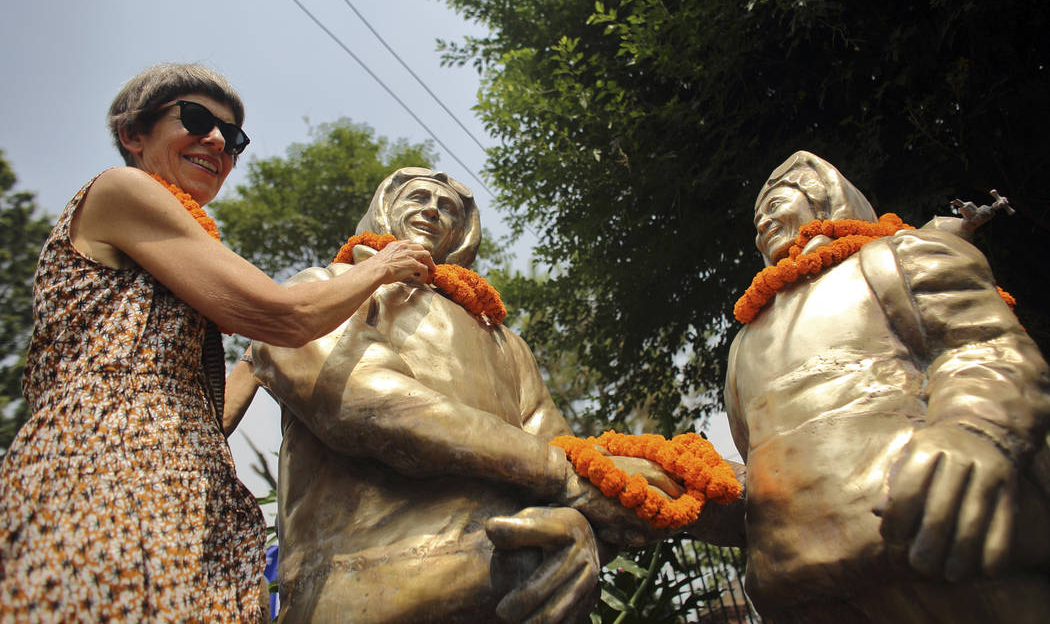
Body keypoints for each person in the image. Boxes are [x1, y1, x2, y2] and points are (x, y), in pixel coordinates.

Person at [0, 64, 435, 622]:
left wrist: (261, 361)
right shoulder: (122, 188)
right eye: (197, 119)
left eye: (233, 138)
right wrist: (383, 268)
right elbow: (282, 314)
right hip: (108, 477)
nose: (217, 142)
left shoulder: (171, 257)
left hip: (189, 495)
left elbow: (205, 416)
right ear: (134, 134)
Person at [249, 167, 699, 624]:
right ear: (384, 208)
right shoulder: (324, 286)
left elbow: (561, 448)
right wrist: (561, 476)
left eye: (448, 208)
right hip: (360, 581)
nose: (432, 209)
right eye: (418, 197)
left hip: (506, 576)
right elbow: (359, 400)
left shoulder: (503, 341)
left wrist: (597, 508)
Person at [724, 151, 1050, 623]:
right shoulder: (742, 345)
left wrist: (975, 432)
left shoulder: (895, 257)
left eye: (775, 204)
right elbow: (759, 469)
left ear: (827, 200)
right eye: (757, 220)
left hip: (941, 539)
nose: (763, 224)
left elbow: (983, 348)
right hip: (799, 587)